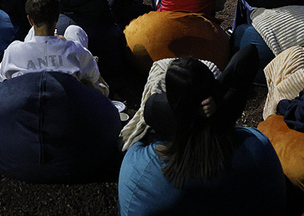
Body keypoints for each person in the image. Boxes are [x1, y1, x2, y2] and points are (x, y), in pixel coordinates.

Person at [118, 53, 284, 216]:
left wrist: (186, 111)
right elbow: (247, 55)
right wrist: (218, 96)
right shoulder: (258, 150)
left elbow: (151, 108)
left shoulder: (138, 170)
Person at [0, 0, 109, 96]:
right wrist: (66, 44)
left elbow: (2, 79)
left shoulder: (13, 51)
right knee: (74, 30)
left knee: (33, 32)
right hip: (68, 102)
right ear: (57, 18)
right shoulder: (75, 50)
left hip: (28, 102)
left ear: (30, 20)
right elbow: (93, 77)